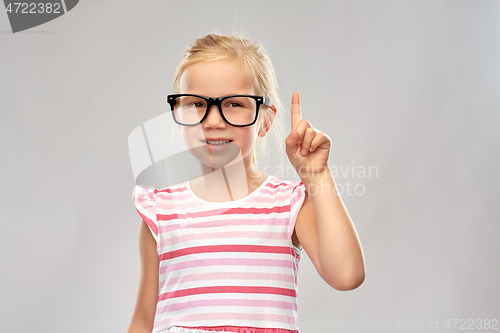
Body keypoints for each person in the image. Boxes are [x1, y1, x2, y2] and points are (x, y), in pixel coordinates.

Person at [127, 32, 365, 333]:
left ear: (265, 120)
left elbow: (347, 275)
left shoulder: (289, 204)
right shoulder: (160, 211)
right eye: (197, 104)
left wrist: (317, 175)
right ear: (178, 112)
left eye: (234, 104)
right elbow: (143, 319)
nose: (213, 120)